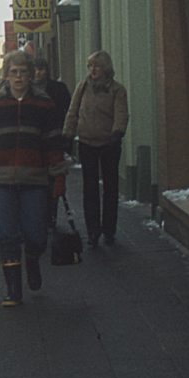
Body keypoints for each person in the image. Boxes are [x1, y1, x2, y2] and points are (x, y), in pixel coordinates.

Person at [0, 50, 67, 307]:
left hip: (35, 180)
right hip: (1, 180)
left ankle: (33, 258)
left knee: (36, 234)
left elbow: (53, 141)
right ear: (6, 76)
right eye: (13, 72)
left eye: (23, 72)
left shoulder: (43, 105)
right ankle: (13, 290)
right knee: (8, 235)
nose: (18, 77)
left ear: (30, 76)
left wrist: (58, 175)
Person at [63, 50, 128, 248]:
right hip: (86, 142)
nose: (93, 70)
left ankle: (109, 228)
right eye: (90, 66)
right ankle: (93, 230)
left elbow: (121, 113)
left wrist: (117, 133)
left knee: (110, 187)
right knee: (89, 188)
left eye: (97, 66)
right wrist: (67, 134)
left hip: (109, 143)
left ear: (105, 68)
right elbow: (73, 111)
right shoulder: (83, 87)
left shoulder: (117, 90)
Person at [33, 57, 72, 228]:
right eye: (35, 69)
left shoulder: (58, 89)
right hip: (33, 143)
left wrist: (65, 137)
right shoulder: (26, 90)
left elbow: (67, 111)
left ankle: (50, 216)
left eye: (41, 69)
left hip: (53, 139)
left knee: (52, 180)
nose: (38, 73)